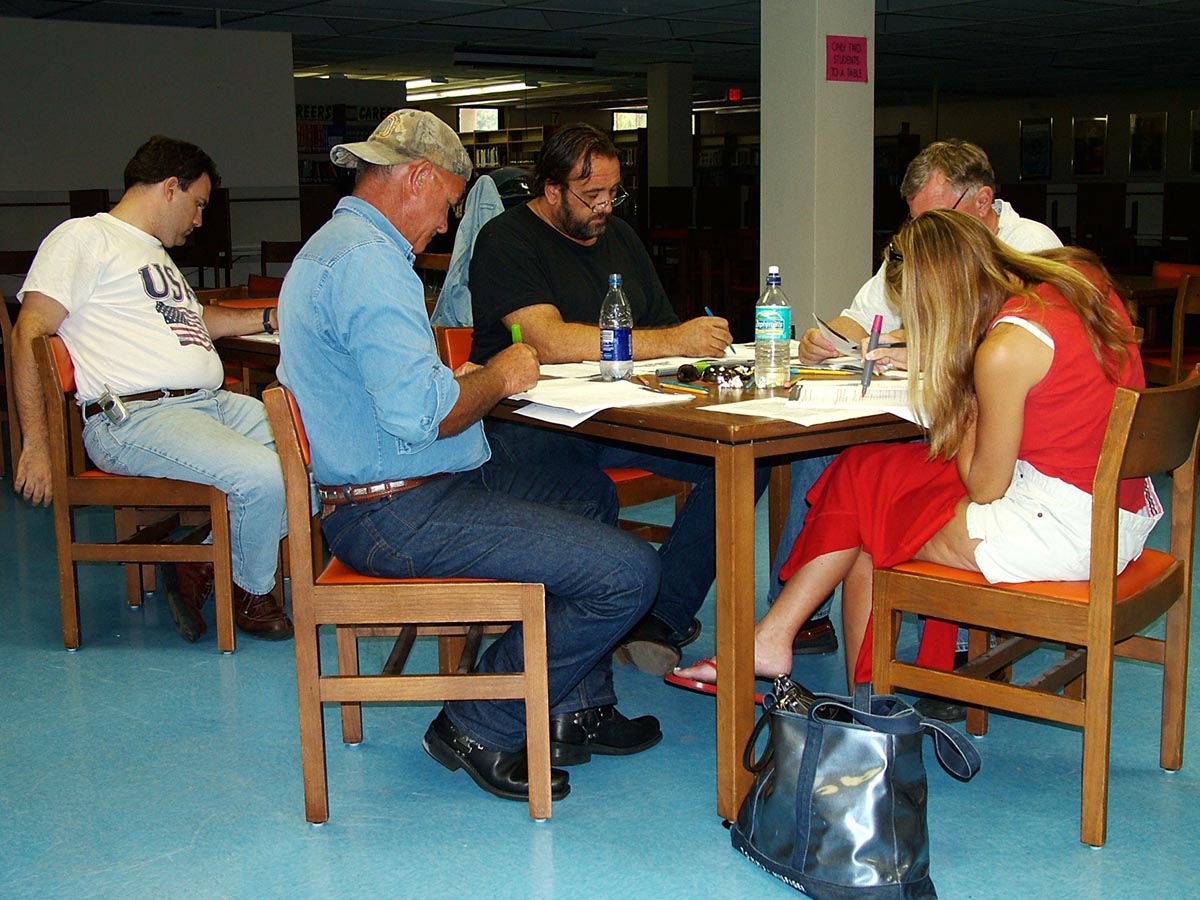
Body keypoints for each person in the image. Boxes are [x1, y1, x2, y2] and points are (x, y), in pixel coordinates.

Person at [277, 109, 664, 804]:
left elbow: (398, 395)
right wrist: (502, 374)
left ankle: (575, 704)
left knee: (585, 493)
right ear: (418, 178)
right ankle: (479, 721)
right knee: (629, 573)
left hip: (388, 486)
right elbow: (427, 416)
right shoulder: (369, 264)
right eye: (450, 203)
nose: (447, 224)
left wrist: (456, 382)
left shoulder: (334, 248)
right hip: (396, 510)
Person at [674, 209, 1158, 693]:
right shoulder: (1075, 279)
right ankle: (777, 637)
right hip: (1112, 504)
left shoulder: (1004, 350)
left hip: (1068, 530)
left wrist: (962, 377)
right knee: (864, 468)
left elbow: (985, 487)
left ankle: (861, 700)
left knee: (871, 515)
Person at [468, 122, 768, 675]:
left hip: (620, 416)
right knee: (582, 491)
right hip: (534, 424)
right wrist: (673, 341)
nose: (605, 206)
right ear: (552, 189)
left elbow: (660, 330)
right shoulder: (506, 240)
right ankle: (597, 620)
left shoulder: (621, 238)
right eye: (592, 195)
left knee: (744, 459)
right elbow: (547, 340)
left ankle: (660, 615)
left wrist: (691, 353)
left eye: (613, 192)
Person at [775, 139, 1064, 659]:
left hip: (1022, 460)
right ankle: (801, 617)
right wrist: (828, 340)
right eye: (915, 221)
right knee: (827, 451)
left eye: (935, 220)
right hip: (981, 430)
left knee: (872, 492)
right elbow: (862, 316)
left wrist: (917, 344)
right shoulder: (941, 248)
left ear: (982, 201)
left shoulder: (1029, 248)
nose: (923, 235)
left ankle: (937, 641)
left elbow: (984, 347)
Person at [12, 135, 292, 643]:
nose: (199, 220)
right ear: (169, 187)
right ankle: (250, 591)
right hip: (136, 419)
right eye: (198, 204)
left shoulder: (153, 253)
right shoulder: (84, 238)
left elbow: (199, 320)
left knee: (319, 460)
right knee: (264, 475)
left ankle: (199, 562)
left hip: (208, 405)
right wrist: (36, 443)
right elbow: (28, 331)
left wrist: (271, 316)